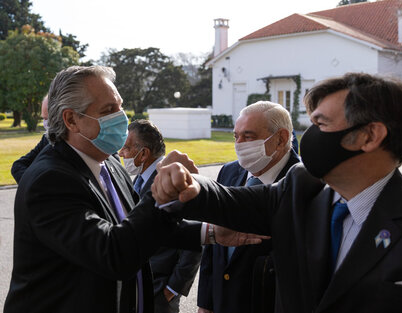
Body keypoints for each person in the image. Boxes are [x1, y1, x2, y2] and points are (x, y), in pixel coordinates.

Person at [153, 72, 402, 313]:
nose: (309, 136)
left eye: (321, 123)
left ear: (370, 135)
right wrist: (188, 185)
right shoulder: (300, 187)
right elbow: (227, 201)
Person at [4, 65, 264, 313]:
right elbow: (113, 253)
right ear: (71, 120)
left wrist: (211, 233)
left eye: (120, 106)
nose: (121, 117)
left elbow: (137, 226)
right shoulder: (49, 181)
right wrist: (160, 187)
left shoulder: (109, 162)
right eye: (109, 109)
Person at [198, 101, 299, 313]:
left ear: (281, 139)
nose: (239, 144)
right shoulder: (229, 172)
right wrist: (205, 303)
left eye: (249, 136)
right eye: (236, 136)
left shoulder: (305, 184)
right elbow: (213, 247)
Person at [119, 119, 202, 313]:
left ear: (144, 153)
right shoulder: (137, 180)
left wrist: (172, 289)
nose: (121, 154)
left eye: (126, 149)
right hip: (138, 285)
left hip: (160, 291)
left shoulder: (173, 180)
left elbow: (194, 242)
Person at [11, 95, 49, 183]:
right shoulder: (47, 139)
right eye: (44, 118)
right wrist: (35, 186)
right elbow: (18, 166)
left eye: (48, 118)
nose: (45, 122)